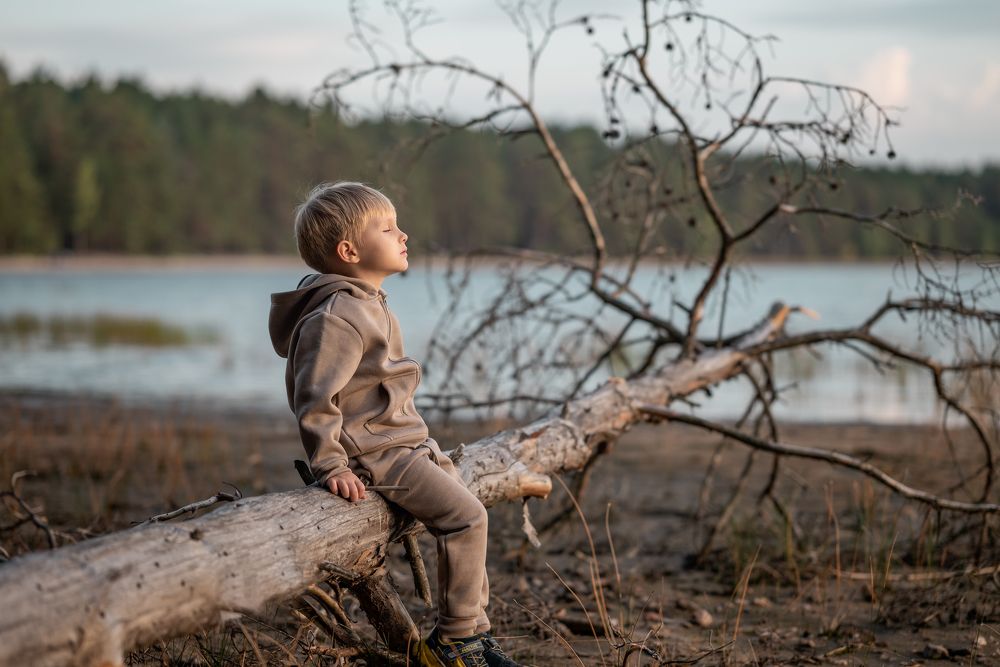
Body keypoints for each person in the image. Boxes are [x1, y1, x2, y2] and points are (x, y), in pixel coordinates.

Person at [268, 182, 524, 667]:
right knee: (468, 518)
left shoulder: (367, 299)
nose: (403, 234)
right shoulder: (338, 314)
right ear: (349, 250)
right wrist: (331, 466)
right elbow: (314, 399)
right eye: (387, 228)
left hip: (406, 442)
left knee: (466, 509)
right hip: (378, 453)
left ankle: (475, 633)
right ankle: (454, 642)